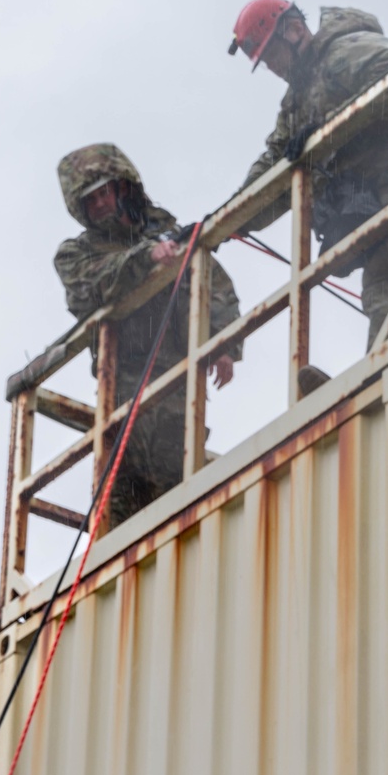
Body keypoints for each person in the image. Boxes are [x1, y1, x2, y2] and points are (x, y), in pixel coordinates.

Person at [229, 0, 388, 383]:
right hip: (381, 197)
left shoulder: (346, 49)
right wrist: (231, 217)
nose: (272, 67)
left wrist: (326, 132)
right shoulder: (297, 102)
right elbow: (274, 165)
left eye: (271, 54)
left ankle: (380, 390)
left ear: (294, 30)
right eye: (265, 61)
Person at [55, 144, 244, 528]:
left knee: (178, 490)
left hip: (178, 378)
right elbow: (90, 286)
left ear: (124, 189)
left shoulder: (167, 233)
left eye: (104, 193)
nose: (99, 206)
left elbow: (214, 284)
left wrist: (224, 343)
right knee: (123, 495)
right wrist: (145, 259)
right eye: (89, 202)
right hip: (124, 385)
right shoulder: (77, 253)